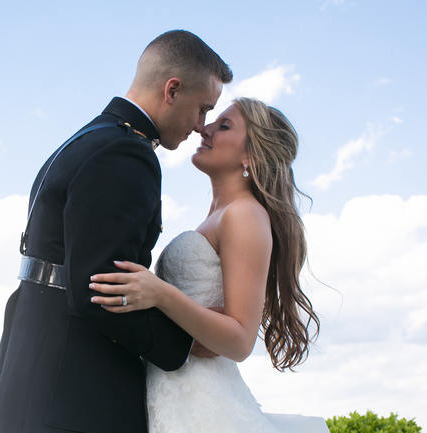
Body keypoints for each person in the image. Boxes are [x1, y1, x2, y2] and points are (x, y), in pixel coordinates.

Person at [0, 30, 233, 433]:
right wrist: (188, 342)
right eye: (202, 108)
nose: (200, 125)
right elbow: (101, 290)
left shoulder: (86, 139)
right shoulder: (126, 154)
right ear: (173, 89)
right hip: (76, 394)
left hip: (28, 379)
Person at [90, 97, 330, 432]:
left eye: (224, 126)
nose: (205, 128)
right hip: (173, 393)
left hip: (204, 405)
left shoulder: (244, 215)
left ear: (250, 155)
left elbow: (239, 340)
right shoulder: (219, 216)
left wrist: (160, 294)